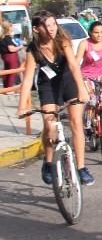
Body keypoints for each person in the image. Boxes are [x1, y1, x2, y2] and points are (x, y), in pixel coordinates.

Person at [16, 11, 92, 185]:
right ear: (36, 29)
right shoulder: (33, 50)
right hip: (48, 86)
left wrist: (82, 89)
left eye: (53, 24)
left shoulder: (62, 41)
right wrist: (22, 107)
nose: (51, 29)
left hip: (69, 82)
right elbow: (27, 80)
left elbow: (73, 66)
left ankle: (81, 168)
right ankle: (48, 162)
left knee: (76, 123)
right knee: (49, 125)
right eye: (46, 26)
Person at [1, 20, 23, 89]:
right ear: (8, 27)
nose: (13, 27)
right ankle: (9, 88)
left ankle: (6, 88)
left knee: (7, 72)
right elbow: (11, 49)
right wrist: (19, 47)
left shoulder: (2, 37)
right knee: (12, 72)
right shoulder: (7, 37)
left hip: (5, 56)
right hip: (10, 56)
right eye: (11, 26)